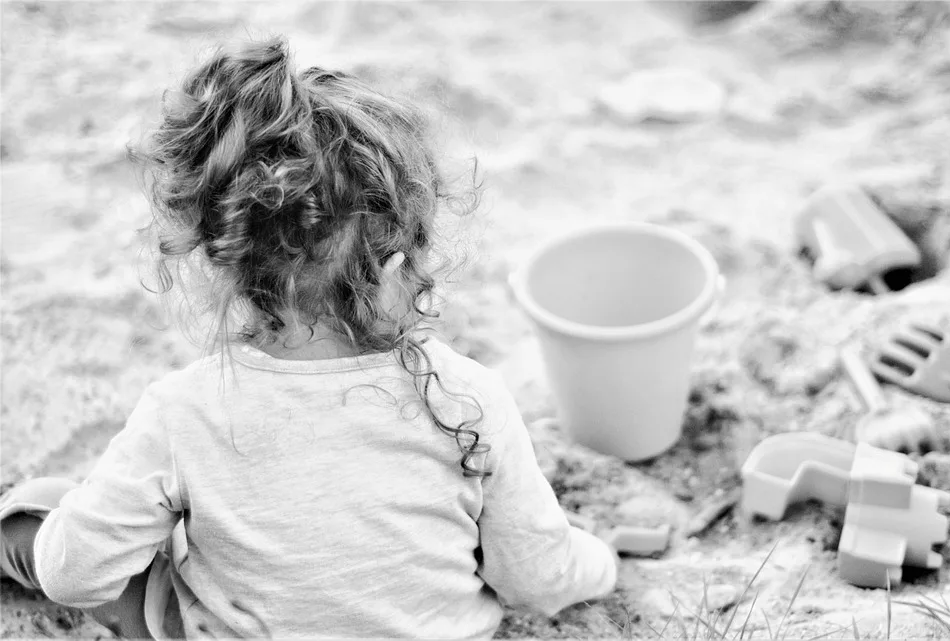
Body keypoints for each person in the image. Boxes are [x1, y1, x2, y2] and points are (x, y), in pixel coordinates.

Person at [0, 36, 618, 639]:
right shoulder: (468, 398)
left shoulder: (184, 411)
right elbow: (537, 577)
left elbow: (73, 576)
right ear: (395, 267)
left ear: (226, 258)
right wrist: (601, 560)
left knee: (45, 509)